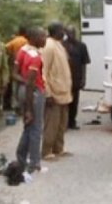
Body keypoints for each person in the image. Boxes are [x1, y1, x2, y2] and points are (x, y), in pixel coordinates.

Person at [14, 28, 47, 173]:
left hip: (23, 90)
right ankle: (34, 163)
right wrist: (29, 108)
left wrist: (24, 81)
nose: (45, 39)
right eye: (43, 36)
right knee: (36, 129)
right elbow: (32, 82)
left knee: (28, 126)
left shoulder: (22, 50)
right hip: (33, 93)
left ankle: (21, 157)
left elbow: (14, 73)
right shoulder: (35, 57)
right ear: (34, 38)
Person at [41, 22, 73, 161]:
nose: (64, 32)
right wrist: (47, 93)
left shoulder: (58, 44)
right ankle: (46, 151)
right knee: (52, 124)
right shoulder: (48, 46)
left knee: (62, 123)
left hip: (64, 92)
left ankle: (58, 148)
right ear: (56, 31)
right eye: (62, 30)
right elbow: (44, 71)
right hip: (53, 93)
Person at [62, 26, 91, 130]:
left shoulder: (81, 46)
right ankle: (64, 123)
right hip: (64, 79)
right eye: (69, 33)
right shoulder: (61, 45)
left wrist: (83, 79)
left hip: (76, 78)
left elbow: (84, 63)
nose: (71, 35)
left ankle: (72, 122)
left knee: (74, 101)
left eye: (73, 33)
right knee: (65, 101)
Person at [4, 26, 28, 111]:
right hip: (24, 66)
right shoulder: (27, 41)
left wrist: (10, 54)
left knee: (14, 85)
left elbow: (5, 48)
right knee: (22, 84)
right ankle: (21, 105)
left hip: (14, 65)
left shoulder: (14, 41)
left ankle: (15, 104)